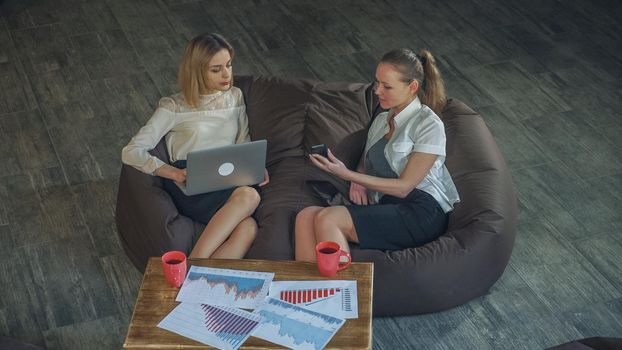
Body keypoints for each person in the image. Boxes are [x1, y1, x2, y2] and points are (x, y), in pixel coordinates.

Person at [295, 48, 459, 261]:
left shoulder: (428, 124)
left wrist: (346, 175)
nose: (377, 91)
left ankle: (341, 291)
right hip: (387, 205)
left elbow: (404, 187)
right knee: (305, 216)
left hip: (420, 211)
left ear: (412, 87)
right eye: (377, 82)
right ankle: (305, 288)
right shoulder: (382, 120)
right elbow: (367, 158)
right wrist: (358, 179)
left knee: (329, 218)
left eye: (387, 86)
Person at [122, 33, 268, 259]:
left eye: (228, 65)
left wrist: (253, 167)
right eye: (216, 69)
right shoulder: (173, 106)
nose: (227, 74)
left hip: (226, 175)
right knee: (250, 196)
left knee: (248, 227)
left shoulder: (235, 97)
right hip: (190, 180)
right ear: (198, 71)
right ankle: (191, 264)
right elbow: (131, 151)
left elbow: (242, 140)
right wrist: (173, 172)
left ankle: (195, 286)